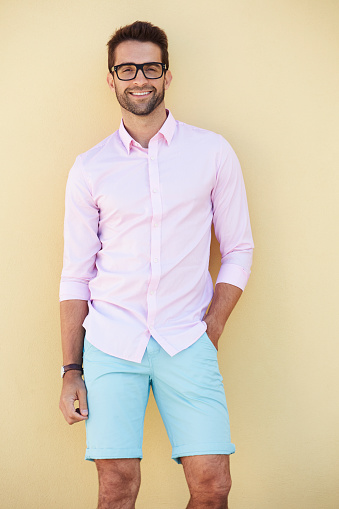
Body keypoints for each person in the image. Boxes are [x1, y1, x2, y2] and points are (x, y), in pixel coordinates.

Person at [59, 20, 254, 509]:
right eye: (127, 69)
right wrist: (70, 369)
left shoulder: (212, 152)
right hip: (110, 341)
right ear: (111, 78)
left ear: (167, 74)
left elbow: (239, 250)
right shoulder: (90, 167)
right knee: (117, 487)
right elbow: (75, 275)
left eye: (150, 67)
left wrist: (210, 327)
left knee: (213, 487)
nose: (139, 79)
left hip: (187, 339)